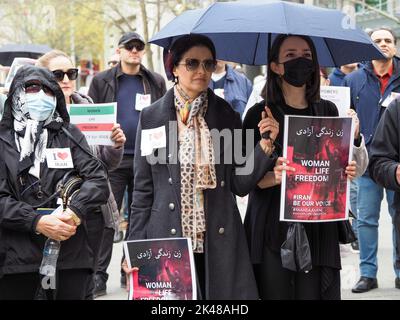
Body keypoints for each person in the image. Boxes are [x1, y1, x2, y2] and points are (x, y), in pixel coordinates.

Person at [122, 34, 277, 299]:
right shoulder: (152, 117)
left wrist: (264, 146)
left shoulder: (226, 114)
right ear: (174, 68)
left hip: (219, 237)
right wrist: (133, 248)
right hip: (167, 240)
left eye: (208, 63)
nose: (202, 71)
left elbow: (239, 184)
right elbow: (143, 191)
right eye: (192, 63)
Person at [243, 34, 366, 300]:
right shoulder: (258, 114)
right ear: (275, 65)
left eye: (306, 55)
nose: (300, 61)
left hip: (318, 226)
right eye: (290, 55)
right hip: (271, 228)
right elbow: (240, 180)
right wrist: (271, 172)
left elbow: (336, 167)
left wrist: (345, 171)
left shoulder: (329, 111)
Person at [0, 65, 109, 299]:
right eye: (32, 88)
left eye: (48, 91)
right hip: (16, 260)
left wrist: (74, 211)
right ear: (17, 93)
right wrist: (36, 221)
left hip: (70, 254)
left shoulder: (69, 134)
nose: (40, 96)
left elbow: (98, 180)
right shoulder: (2, 141)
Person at [36, 49, 126, 299]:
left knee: (86, 281)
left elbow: (106, 164)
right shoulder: (36, 113)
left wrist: (115, 145)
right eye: (58, 74)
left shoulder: (88, 107)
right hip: (55, 210)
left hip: (94, 209)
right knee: (52, 281)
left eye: (71, 73)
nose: (66, 79)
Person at [88, 31, 166, 295]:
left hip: (146, 158)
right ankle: (98, 274)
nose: (134, 51)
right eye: (129, 47)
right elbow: (91, 117)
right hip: (113, 160)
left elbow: (165, 116)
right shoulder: (101, 81)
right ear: (118, 50)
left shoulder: (154, 81)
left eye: (139, 47)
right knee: (108, 218)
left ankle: (131, 269)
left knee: (139, 217)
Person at [343, 27, 400, 293]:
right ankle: (367, 273)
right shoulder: (354, 79)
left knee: (399, 215)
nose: (383, 44)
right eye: (377, 41)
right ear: (369, 46)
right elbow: (343, 117)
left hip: (396, 163)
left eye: (388, 40)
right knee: (366, 219)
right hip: (365, 161)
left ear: (395, 47)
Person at [369, 96, 400, 292]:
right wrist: (395, 172)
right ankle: (367, 272)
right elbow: (378, 162)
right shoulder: (397, 109)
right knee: (366, 220)